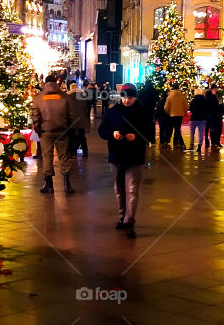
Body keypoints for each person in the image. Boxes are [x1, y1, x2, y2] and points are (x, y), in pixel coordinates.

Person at [98, 83, 152, 238]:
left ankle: (130, 219)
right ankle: (122, 216)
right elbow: (102, 130)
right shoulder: (112, 112)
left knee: (132, 190)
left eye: (130, 98)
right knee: (119, 190)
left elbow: (149, 135)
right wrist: (112, 133)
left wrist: (136, 137)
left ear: (135, 97)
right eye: (125, 97)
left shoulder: (143, 113)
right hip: (116, 156)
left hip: (135, 158)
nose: (127, 100)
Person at [31, 76, 73, 194]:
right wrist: (68, 127)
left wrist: (39, 129)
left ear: (45, 83)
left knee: (47, 157)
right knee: (64, 156)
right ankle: (67, 184)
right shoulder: (65, 97)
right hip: (62, 131)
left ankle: (49, 184)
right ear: (56, 83)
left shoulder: (38, 98)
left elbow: (35, 116)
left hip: (46, 132)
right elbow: (70, 115)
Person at [66, 82, 90, 158]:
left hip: (71, 120)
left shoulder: (68, 96)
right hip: (81, 119)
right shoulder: (83, 96)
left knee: (71, 136)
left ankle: (73, 152)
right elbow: (86, 108)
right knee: (82, 136)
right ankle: (85, 152)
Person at [163, 82, 188, 150]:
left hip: (172, 115)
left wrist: (169, 112)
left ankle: (167, 141)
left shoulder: (170, 96)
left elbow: (165, 107)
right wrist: (184, 112)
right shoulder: (182, 96)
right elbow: (186, 106)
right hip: (180, 115)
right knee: (177, 129)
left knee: (170, 129)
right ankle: (180, 142)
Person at [136, 79, 159, 144]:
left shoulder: (142, 91)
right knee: (152, 125)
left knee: (144, 125)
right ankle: (152, 139)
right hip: (152, 110)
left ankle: (145, 139)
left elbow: (138, 99)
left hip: (143, 110)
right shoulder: (154, 91)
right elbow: (157, 99)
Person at [188, 87, 208, 152]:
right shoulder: (204, 101)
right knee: (201, 133)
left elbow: (191, 109)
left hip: (193, 118)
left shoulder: (193, 101)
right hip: (202, 119)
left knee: (192, 132)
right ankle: (199, 146)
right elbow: (206, 109)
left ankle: (191, 144)